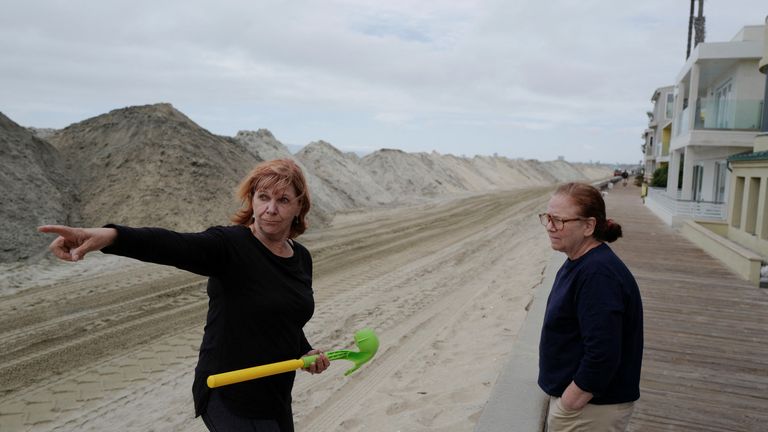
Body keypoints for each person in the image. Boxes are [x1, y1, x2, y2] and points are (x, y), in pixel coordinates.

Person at [39, 158, 330, 432]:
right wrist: (111, 237)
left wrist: (303, 351)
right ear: (251, 200)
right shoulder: (229, 246)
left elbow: (286, 319)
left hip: (274, 392)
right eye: (263, 197)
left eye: (283, 200)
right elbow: (170, 244)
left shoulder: (300, 257)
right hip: (228, 390)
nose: (271, 209)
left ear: (298, 207)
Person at [537, 182, 643, 432]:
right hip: (584, 409)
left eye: (559, 220)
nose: (550, 226)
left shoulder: (598, 275)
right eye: (547, 218)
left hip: (590, 412)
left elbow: (602, 354)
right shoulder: (580, 261)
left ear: (588, 226)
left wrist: (569, 404)